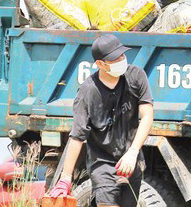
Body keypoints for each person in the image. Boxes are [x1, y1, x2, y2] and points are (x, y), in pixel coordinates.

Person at [47, 34, 154, 207]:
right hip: (102, 163)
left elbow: (147, 116)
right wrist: (65, 178)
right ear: (100, 64)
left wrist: (133, 152)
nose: (121, 60)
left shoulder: (136, 76)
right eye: (114, 59)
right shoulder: (88, 91)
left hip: (131, 160)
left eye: (122, 55)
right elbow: (77, 136)